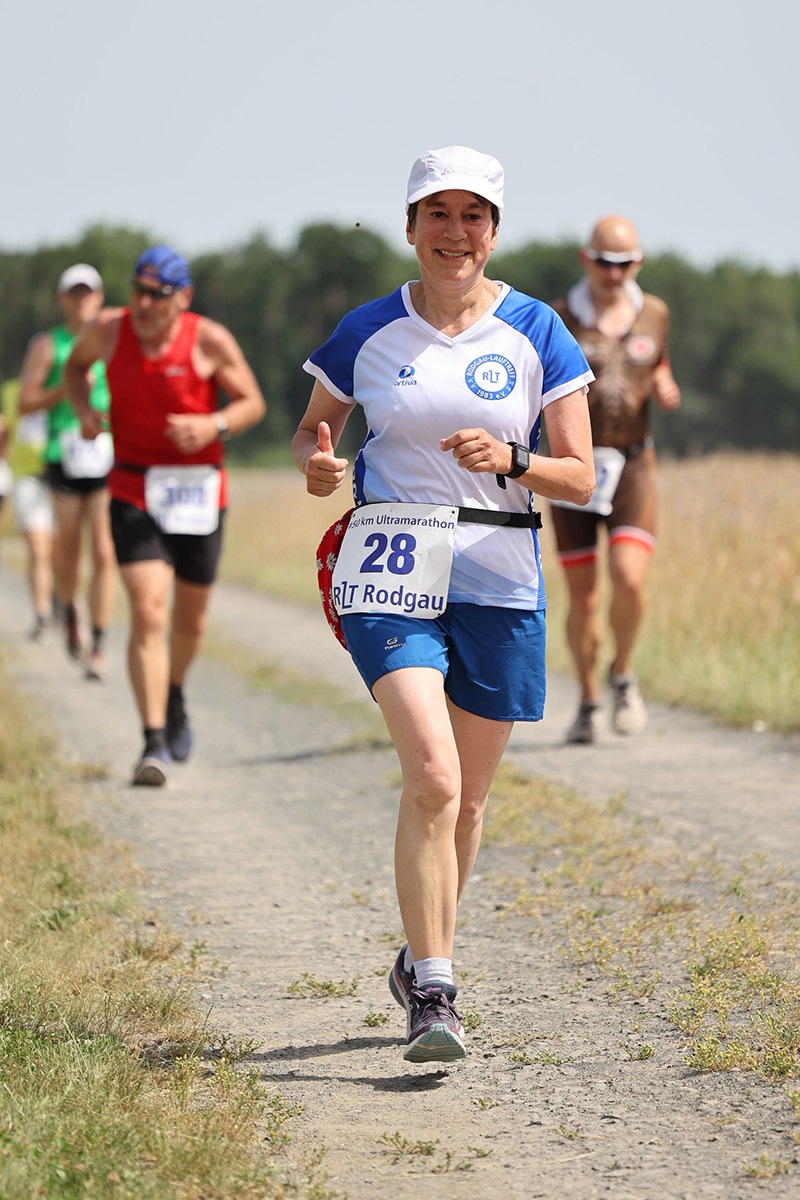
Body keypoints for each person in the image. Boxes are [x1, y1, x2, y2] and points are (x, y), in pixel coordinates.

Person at [292, 146, 595, 1064]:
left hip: (501, 575)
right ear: (410, 226)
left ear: (493, 233)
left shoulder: (537, 330)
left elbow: (580, 476)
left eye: (473, 217)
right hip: (393, 567)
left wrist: (514, 459)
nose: (454, 233)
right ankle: (435, 989)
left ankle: (419, 954)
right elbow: (312, 430)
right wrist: (316, 463)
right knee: (432, 775)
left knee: (467, 804)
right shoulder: (368, 328)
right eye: (438, 214)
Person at [65, 245, 266, 787]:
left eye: (158, 294)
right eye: (139, 291)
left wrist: (213, 425)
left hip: (199, 491)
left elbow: (252, 402)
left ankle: (173, 692)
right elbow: (75, 368)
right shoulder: (108, 330)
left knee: (190, 622)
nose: (145, 304)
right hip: (133, 486)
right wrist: (84, 411)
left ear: (184, 297)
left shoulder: (208, 338)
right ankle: (152, 741)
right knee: (148, 611)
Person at [549, 215, 681, 744]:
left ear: (638, 263)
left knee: (628, 576)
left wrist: (665, 383)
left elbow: (659, 363)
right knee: (582, 597)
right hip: (573, 467)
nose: (613, 273)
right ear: (586, 259)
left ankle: (622, 673)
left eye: (624, 263)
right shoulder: (560, 317)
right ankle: (587, 700)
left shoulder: (655, 313)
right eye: (604, 262)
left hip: (632, 465)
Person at [18, 264, 116, 677]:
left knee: (105, 551)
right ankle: (69, 605)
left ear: (99, 297)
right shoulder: (49, 344)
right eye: (74, 294)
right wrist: (68, 386)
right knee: (70, 553)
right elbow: (25, 402)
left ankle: (99, 642)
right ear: (62, 300)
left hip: (107, 452)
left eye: (88, 293)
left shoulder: (113, 337)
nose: (81, 301)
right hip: (65, 454)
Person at [1, 377, 56, 640]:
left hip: (63, 475)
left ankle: (62, 598)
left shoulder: (69, 381)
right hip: (27, 476)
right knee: (37, 547)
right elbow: (6, 427)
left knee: (58, 552)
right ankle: (42, 614)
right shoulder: (11, 390)